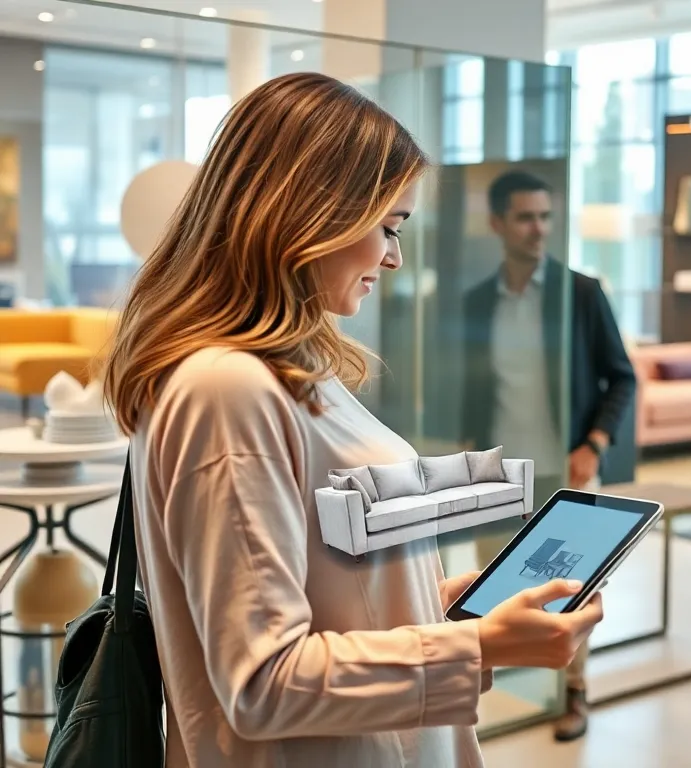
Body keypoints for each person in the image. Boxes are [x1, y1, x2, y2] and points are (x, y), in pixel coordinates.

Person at [101, 72, 603, 768]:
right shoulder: (226, 389)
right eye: (387, 226)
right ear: (306, 211)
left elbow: (329, 586)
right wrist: (477, 646)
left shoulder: (283, 369)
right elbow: (263, 682)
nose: (394, 257)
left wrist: (457, 602)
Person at [461, 169, 636, 741]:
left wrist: (594, 445)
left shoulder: (581, 294)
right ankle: (498, 685)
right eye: (524, 217)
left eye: (545, 216)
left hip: (568, 468)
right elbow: (467, 382)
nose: (538, 228)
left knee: (570, 586)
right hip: (500, 475)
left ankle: (572, 693)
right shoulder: (476, 300)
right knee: (495, 581)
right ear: (497, 224)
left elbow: (621, 378)